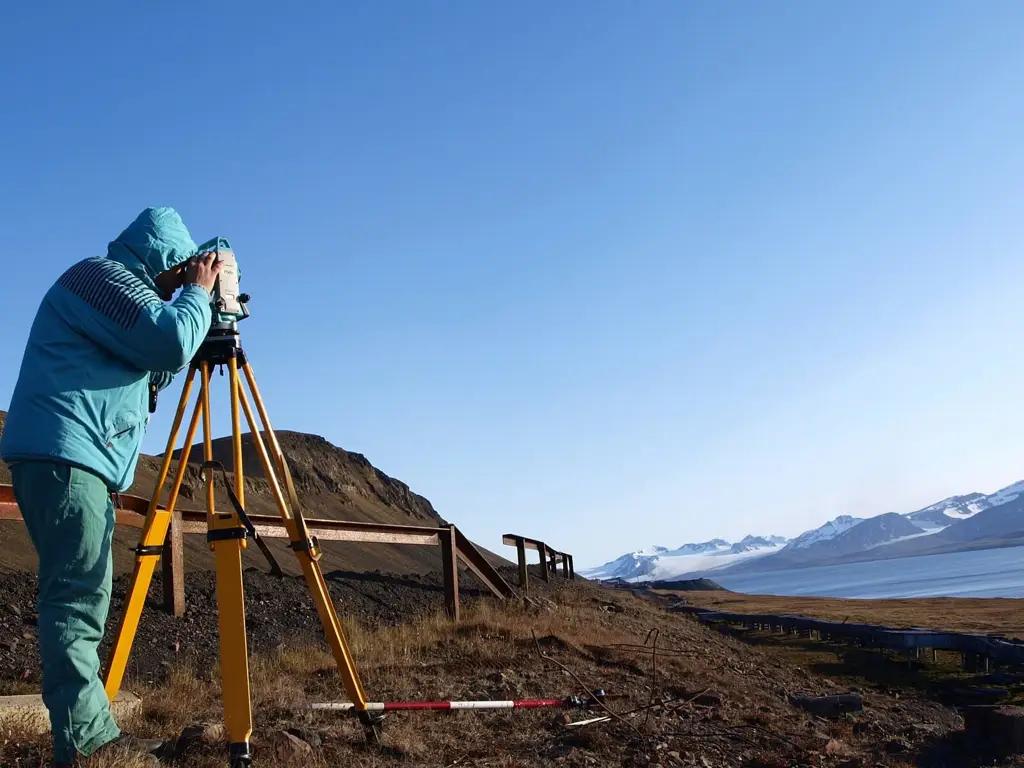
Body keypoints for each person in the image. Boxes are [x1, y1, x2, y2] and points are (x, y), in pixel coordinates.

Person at [0, 207, 222, 767]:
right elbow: (167, 341)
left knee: (81, 595)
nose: (179, 284)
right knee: (76, 599)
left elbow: (157, 363)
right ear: (165, 259)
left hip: (66, 454)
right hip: (66, 453)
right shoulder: (101, 278)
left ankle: (89, 731)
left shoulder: (120, 293)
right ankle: (87, 744)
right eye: (180, 272)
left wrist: (207, 308)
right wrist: (198, 294)